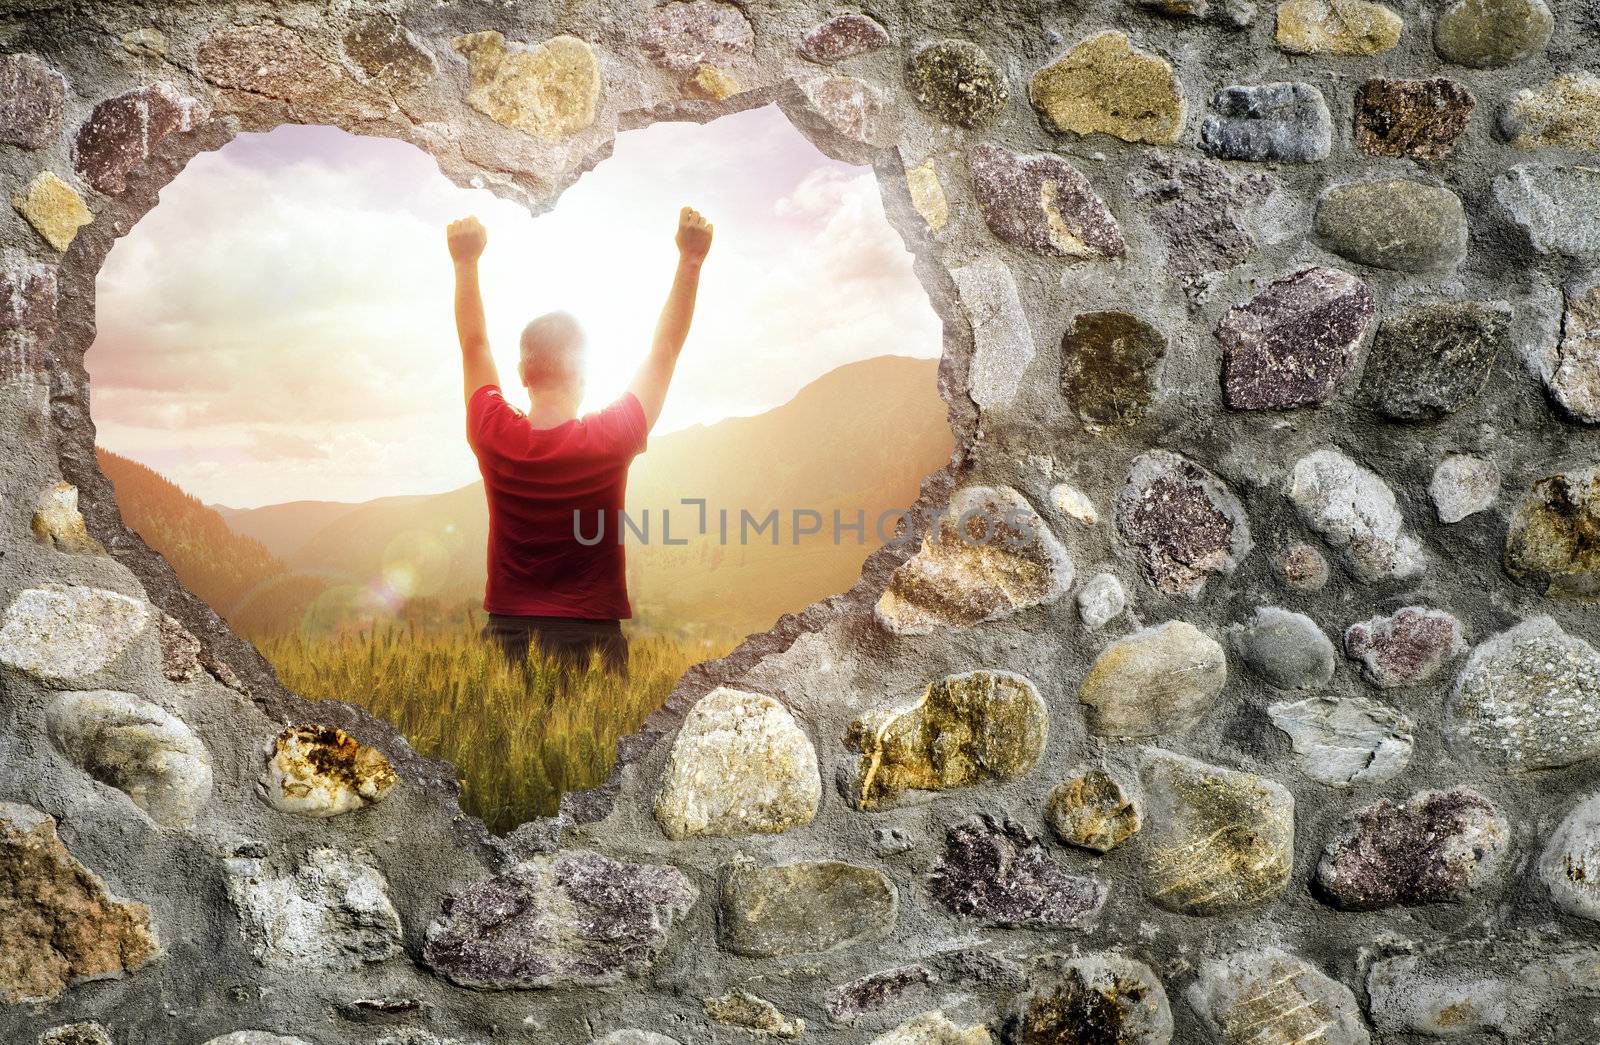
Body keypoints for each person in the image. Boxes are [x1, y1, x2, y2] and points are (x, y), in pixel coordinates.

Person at [446, 206, 714, 674]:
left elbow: (474, 345)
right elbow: (665, 350)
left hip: (506, 640)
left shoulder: (493, 431)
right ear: (583, 375)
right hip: (593, 644)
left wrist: (465, 261)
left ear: (523, 374)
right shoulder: (611, 437)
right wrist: (691, 259)